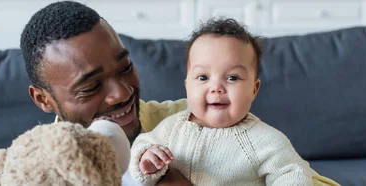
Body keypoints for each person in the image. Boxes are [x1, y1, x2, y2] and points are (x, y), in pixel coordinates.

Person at [128, 18, 341, 186]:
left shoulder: (264, 141)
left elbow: (294, 175)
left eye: (232, 78)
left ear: (254, 89)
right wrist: (146, 159)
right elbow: (142, 145)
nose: (216, 87)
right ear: (187, 86)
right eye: (203, 77)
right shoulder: (171, 128)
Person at [20, 1, 189, 185]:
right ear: (43, 99)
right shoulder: (39, 174)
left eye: (125, 68)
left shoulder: (196, 121)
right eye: (91, 87)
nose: (122, 94)